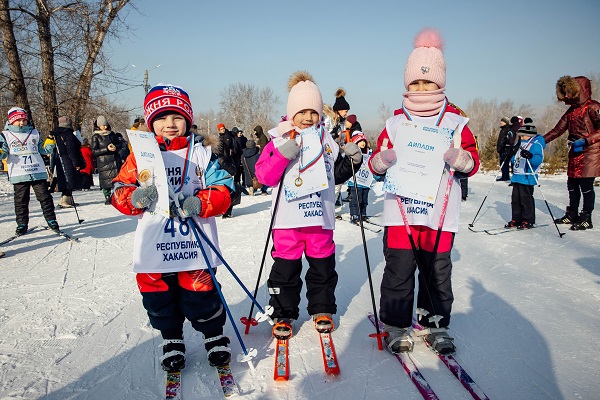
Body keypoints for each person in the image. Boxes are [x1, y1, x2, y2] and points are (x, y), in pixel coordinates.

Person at [368, 29, 480, 355]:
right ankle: (397, 324)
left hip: (439, 215)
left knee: (437, 273)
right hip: (401, 213)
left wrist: (462, 159)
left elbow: (473, 163)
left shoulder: (456, 123)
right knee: (399, 270)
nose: (421, 89)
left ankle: (434, 324)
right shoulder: (395, 123)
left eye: (427, 83)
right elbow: (376, 166)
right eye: (415, 82)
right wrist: (380, 161)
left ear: (440, 83)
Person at [112, 83, 235, 372]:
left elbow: (225, 189)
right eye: (162, 117)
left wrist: (200, 202)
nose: (170, 124)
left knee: (200, 291)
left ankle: (213, 334)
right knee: (158, 296)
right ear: (151, 121)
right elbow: (119, 190)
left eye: (177, 117)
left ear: (188, 120)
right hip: (156, 243)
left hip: (193, 242)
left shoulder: (202, 153)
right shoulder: (139, 155)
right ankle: (172, 338)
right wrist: (133, 197)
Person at [254, 71, 362, 339]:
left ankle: (322, 308)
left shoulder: (326, 139)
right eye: (301, 111)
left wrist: (353, 161)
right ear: (291, 112)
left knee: (322, 267)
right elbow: (263, 176)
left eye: (313, 111)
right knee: (285, 270)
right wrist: (281, 154)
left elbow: (334, 175)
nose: (308, 117)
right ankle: (283, 312)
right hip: (288, 220)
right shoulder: (278, 139)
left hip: (318, 217)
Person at [543, 75, 600, 230]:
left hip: (590, 152)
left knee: (586, 185)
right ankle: (572, 214)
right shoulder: (571, 111)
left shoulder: (593, 107)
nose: (566, 96)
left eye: (569, 92)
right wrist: (541, 140)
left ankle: (586, 217)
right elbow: (557, 130)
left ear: (579, 90)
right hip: (574, 151)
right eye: (565, 92)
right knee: (572, 184)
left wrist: (586, 140)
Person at [0, 107, 60, 233]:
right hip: (19, 173)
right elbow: (3, 151)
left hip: (37, 171)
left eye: (24, 120)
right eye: (18, 120)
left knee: (45, 197)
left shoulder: (34, 133)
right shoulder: (5, 135)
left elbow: (44, 149)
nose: (21, 123)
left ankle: (51, 220)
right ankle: (22, 223)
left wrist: (50, 139)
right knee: (21, 200)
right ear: (11, 121)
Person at [504, 123, 546, 229]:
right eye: (520, 135)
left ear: (530, 135)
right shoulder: (520, 143)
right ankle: (516, 218)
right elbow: (516, 158)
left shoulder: (535, 145)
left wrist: (530, 156)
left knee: (525, 200)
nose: (521, 137)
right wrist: (510, 155)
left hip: (527, 177)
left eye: (523, 136)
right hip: (518, 176)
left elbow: (537, 160)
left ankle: (528, 220)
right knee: (515, 200)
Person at [50, 116, 86, 208]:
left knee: (65, 179)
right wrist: (76, 163)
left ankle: (67, 199)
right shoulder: (68, 135)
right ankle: (65, 200)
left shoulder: (57, 134)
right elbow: (71, 150)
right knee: (69, 180)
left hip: (60, 159)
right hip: (68, 160)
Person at [91, 116, 125, 205]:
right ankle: (107, 196)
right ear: (98, 126)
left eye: (106, 125)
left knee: (117, 180)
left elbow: (120, 144)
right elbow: (94, 151)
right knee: (106, 181)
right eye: (103, 125)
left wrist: (115, 147)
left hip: (114, 160)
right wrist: (106, 149)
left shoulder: (112, 134)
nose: (105, 127)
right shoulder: (96, 137)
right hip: (104, 163)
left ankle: (117, 195)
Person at [347, 131, 373, 224]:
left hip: (365, 181)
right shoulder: (353, 153)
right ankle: (354, 214)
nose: (363, 143)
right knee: (356, 199)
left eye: (364, 141)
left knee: (364, 200)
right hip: (355, 181)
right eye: (360, 141)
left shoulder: (369, 152)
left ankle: (363, 214)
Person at [496, 116, 512, 181]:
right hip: (503, 148)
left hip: (504, 148)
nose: (501, 122)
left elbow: (502, 140)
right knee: (504, 162)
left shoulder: (506, 129)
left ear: (505, 122)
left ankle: (505, 176)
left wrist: (500, 147)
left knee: (504, 162)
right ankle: (505, 175)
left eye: (502, 121)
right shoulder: (504, 129)